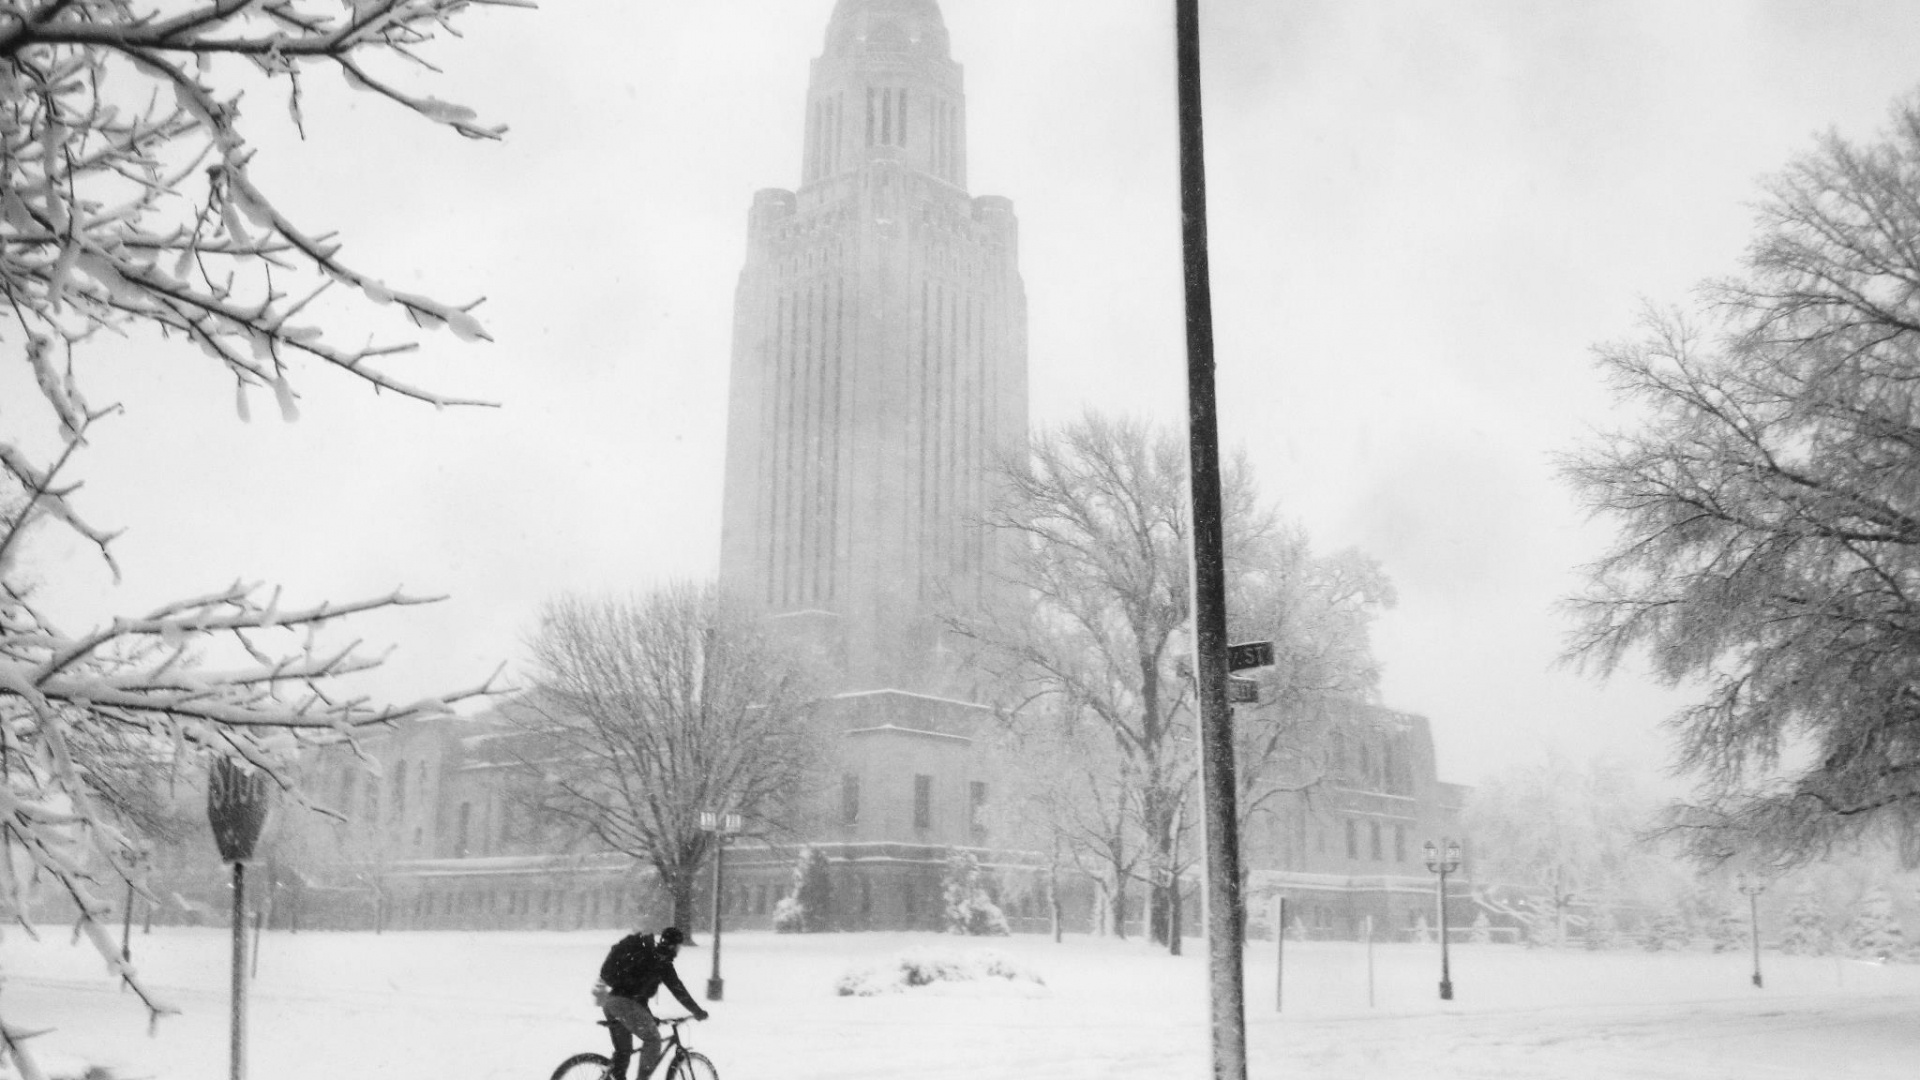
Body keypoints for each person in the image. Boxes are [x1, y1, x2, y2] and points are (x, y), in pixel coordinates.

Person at [597, 926, 709, 1080]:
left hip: (611, 1003)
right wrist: (697, 1011)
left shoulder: (647, 955)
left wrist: (648, 1016)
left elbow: (638, 992)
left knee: (624, 1052)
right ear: (672, 945)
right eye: (678, 946)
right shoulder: (662, 962)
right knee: (653, 1040)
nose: (679, 950)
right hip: (625, 1005)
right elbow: (678, 990)